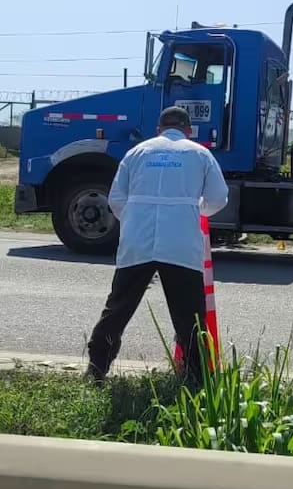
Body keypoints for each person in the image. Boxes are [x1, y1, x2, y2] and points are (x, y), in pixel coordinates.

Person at [84, 106, 230, 385]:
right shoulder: (199, 153)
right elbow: (218, 198)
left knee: (118, 308)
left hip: (137, 241)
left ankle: (96, 370)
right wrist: (195, 210)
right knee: (190, 315)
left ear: (158, 129)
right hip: (181, 242)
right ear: (189, 130)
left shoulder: (137, 153)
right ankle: (196, 380)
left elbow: (116, 199)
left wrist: (136, 218)